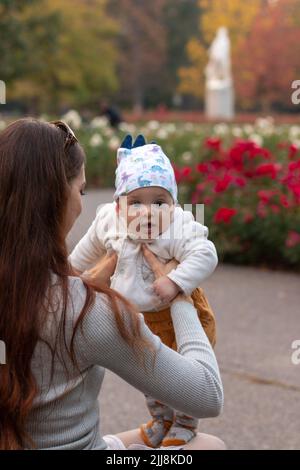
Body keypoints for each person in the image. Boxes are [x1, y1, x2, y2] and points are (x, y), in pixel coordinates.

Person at [0, 118, 225, 450]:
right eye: (82, 191)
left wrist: (78, 278)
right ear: (56, 198)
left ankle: (162, 425)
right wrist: (179, 293)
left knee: (152, 432)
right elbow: (207, 395)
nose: (83, 204)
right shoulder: (86, 311)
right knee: (211, 447)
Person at [69, 134, 218, 447]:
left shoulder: (178, 226)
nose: (148, 212)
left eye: (159, 202)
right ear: (119, 205)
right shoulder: (108, 222)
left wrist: (176, 282)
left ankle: (185, 424)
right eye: (135, 202)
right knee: (151, 374)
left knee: (182, 373)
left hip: (176, 316)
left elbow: (206, 253)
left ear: (173, 205)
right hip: (138, 317)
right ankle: (161, 419)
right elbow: (82, 256)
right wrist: (70, 274)